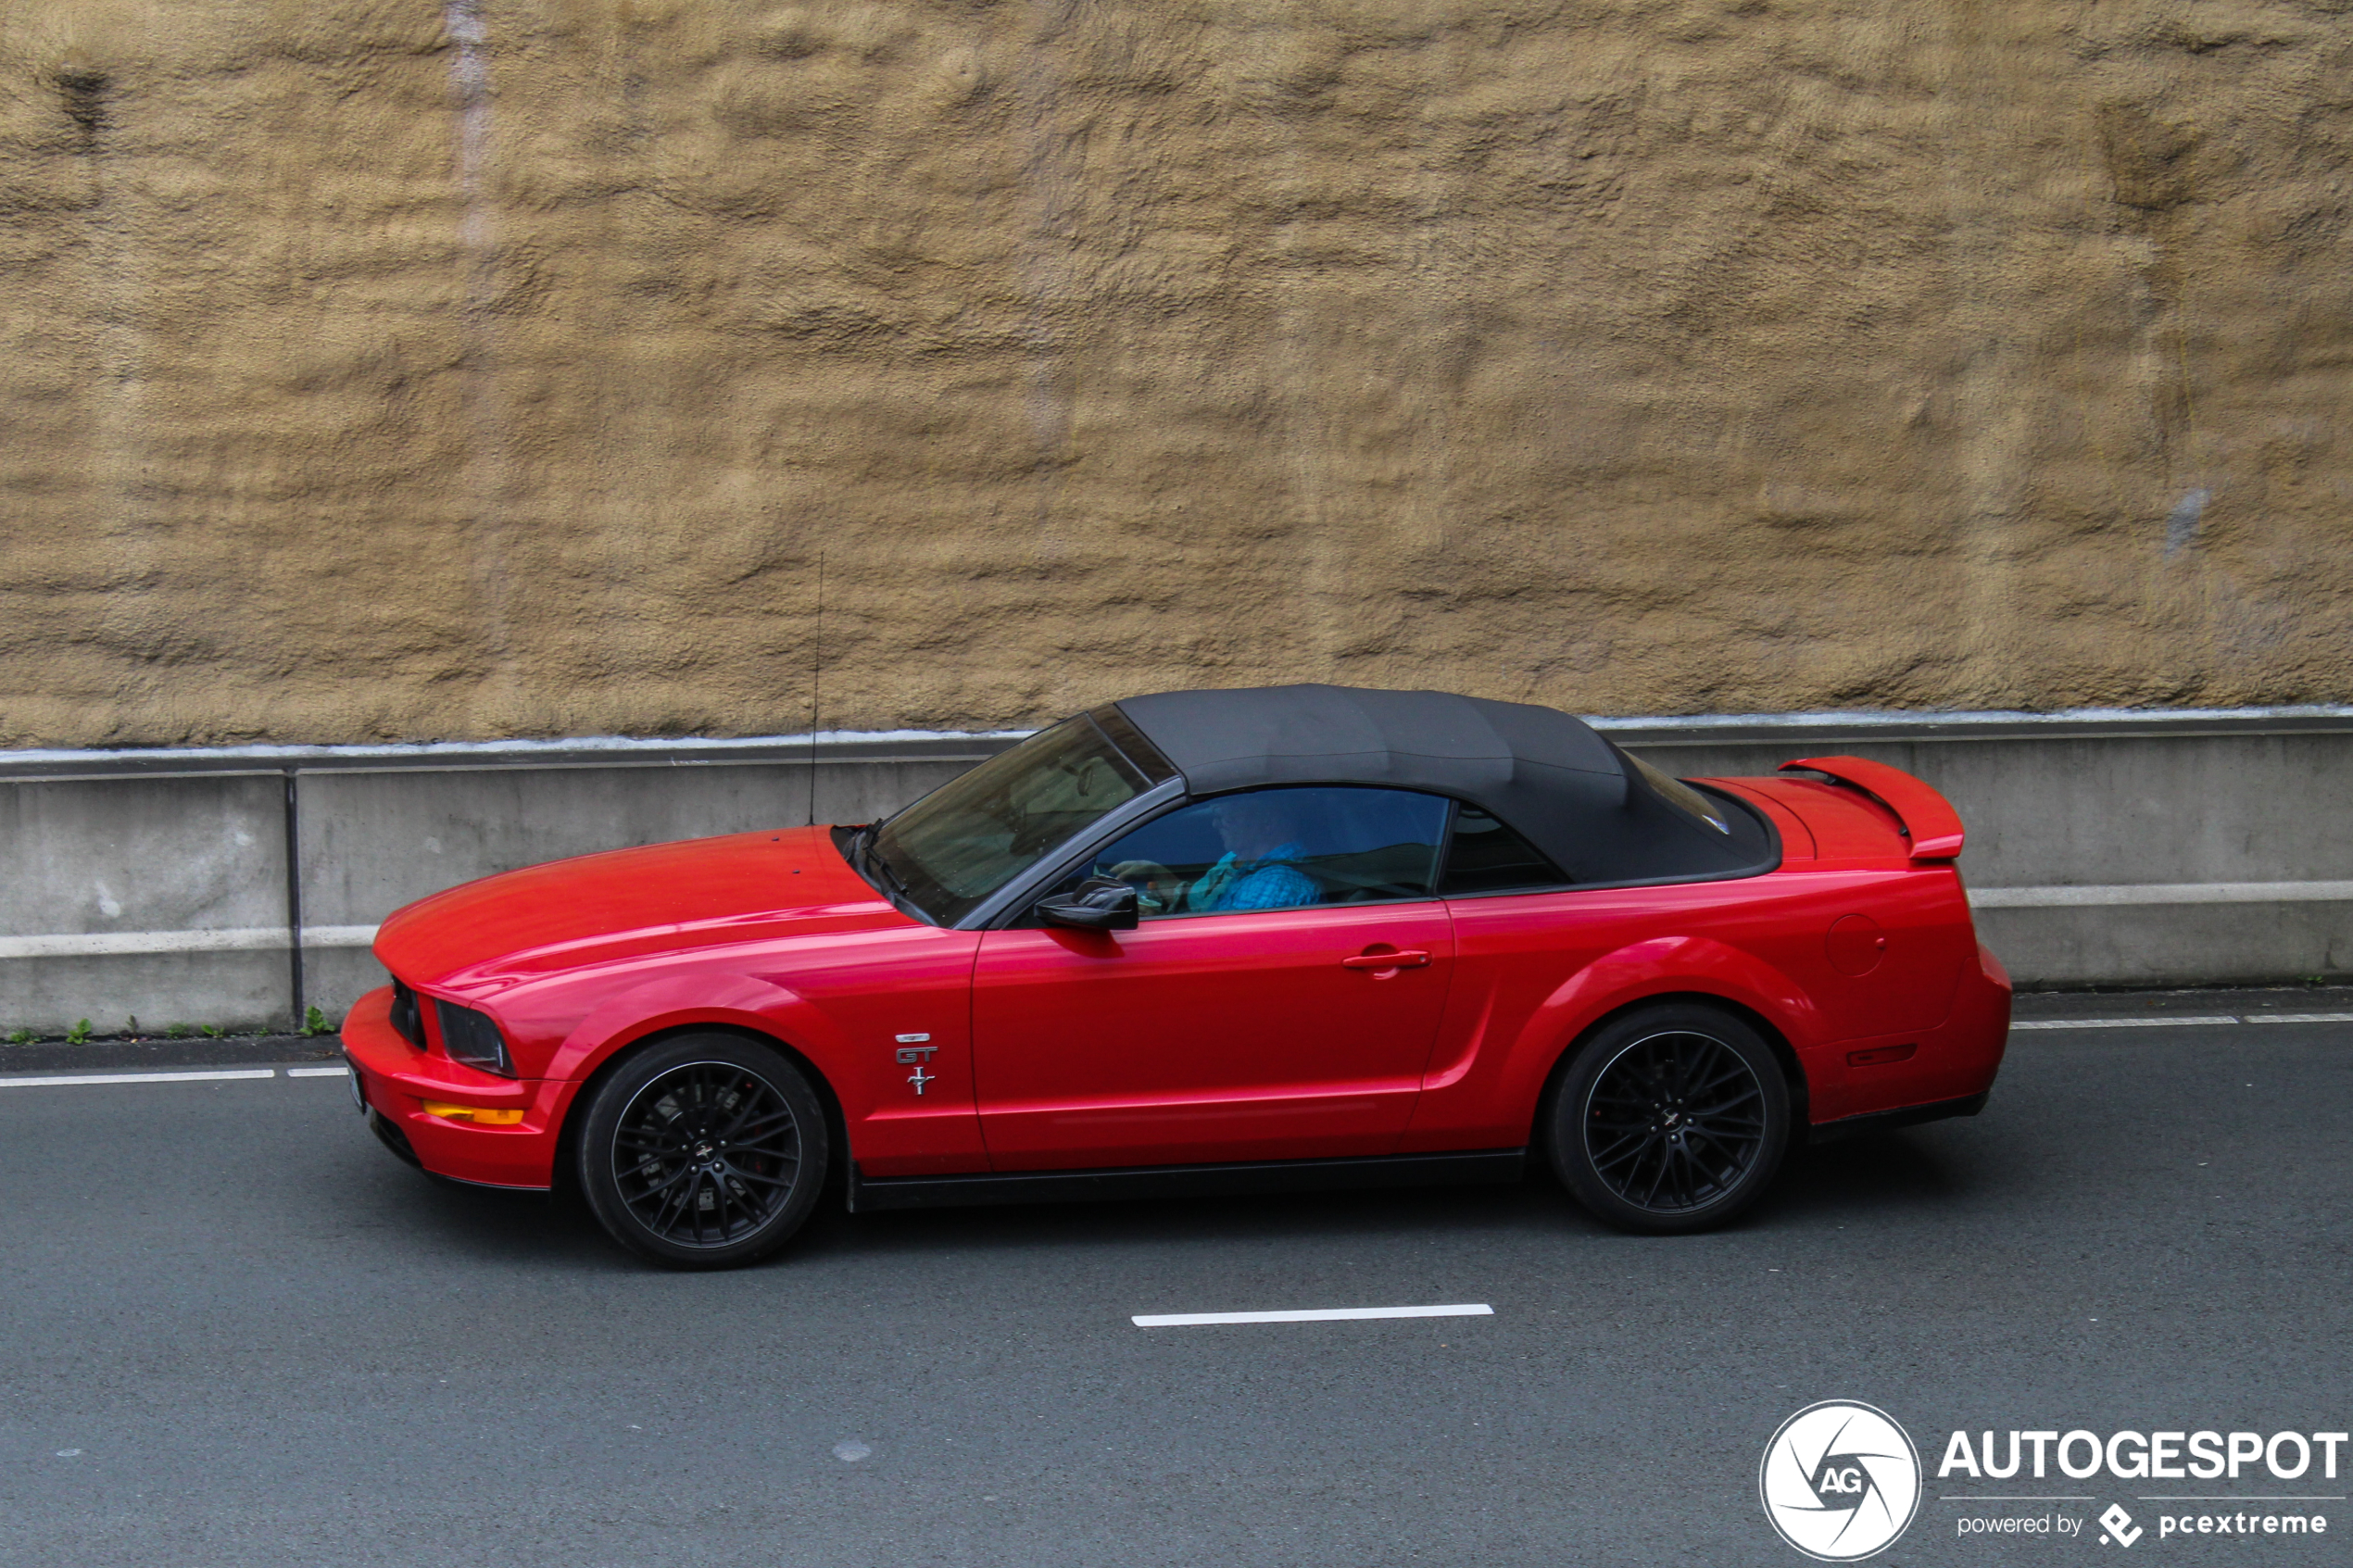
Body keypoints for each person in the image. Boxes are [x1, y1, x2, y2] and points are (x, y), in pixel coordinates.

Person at [1184, 792, 1319, 912]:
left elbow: (1230, 938)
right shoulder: (1251, 864)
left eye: (1227, 818)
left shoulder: (1275, 884)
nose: (1215, 824)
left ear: (1267, 824)